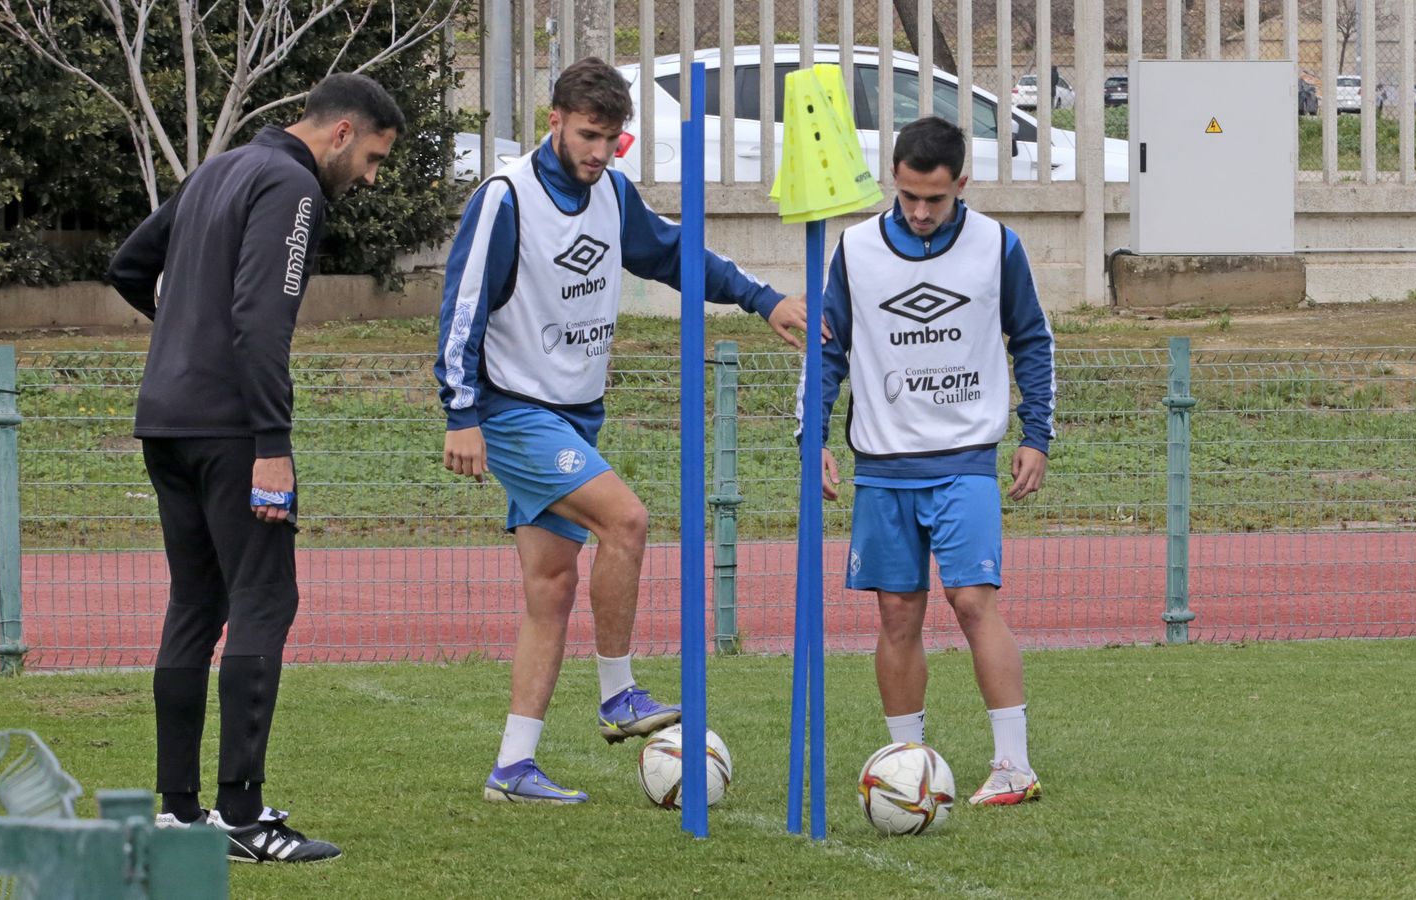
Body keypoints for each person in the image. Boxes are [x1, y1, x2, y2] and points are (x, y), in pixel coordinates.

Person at [436, 57, 816, 803]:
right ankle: (619, 695)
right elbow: (462, 306)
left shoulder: (611, 193)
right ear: (554, 121)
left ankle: (512, 768)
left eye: (613, 139)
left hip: (575, 411)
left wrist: (762, 299)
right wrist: (461, 413)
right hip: (514, 409)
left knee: (550, 587)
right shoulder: (504, 198)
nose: (600, 152)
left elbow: (677, 255)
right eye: (587, 135)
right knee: (629, 521)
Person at [107, 73, 404, 861]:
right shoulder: (290, 183)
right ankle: (244, 818)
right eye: (374, 158)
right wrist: (273, 442)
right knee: (264, 599)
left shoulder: (217, 168)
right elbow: (261, 319)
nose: (371, 177)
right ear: (341, 133)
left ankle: (177, 812)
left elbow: (129, 267)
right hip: (234, 431)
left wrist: (184, 336)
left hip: (164, 422)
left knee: (194, 604)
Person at [812, 116, 1056, 806]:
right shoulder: (855, 248)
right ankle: (905, 764)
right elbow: (828, 350)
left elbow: (1032, 339)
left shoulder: (998, 246)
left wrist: (1036, 434)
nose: (920, 212)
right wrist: (815, 440)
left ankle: (1014, 765)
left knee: (974, 599)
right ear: (894, 179)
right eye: (910, 196)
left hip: (965, 458)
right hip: (884, 464)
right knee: (896, 614)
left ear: (962, 185)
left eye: (936, 199)